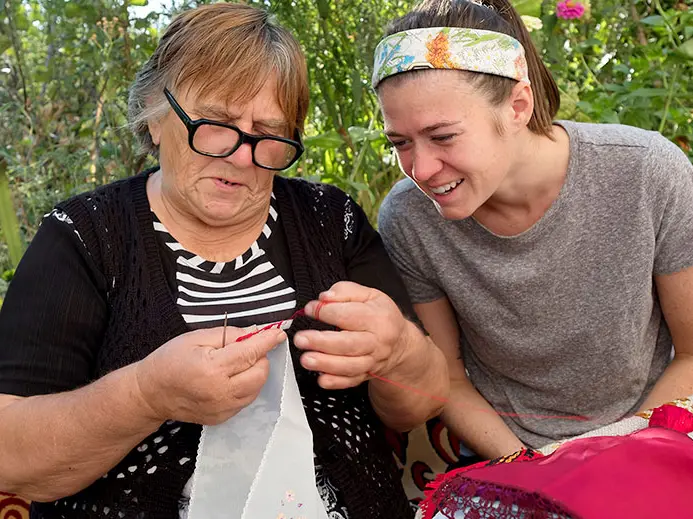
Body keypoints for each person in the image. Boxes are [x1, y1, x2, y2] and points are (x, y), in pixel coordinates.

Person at [0, 4, 449, 519]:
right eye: (216, 123)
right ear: (154, 111)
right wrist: (146, 396)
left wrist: (398, 354)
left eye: (268, 133)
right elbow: (10, 457)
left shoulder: (330, 223)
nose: (240, 156)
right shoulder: (85, 237)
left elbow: (426, 399)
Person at [373, 0, 693, 488]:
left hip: (647, 432)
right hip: (506, 452)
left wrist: (612, 457)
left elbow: (691, 355)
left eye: (443, 136)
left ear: (518, 106)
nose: (421, 170)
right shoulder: (408, 218)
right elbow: (450, 379)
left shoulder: (647, 172)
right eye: (400, 143)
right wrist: (535, 473)